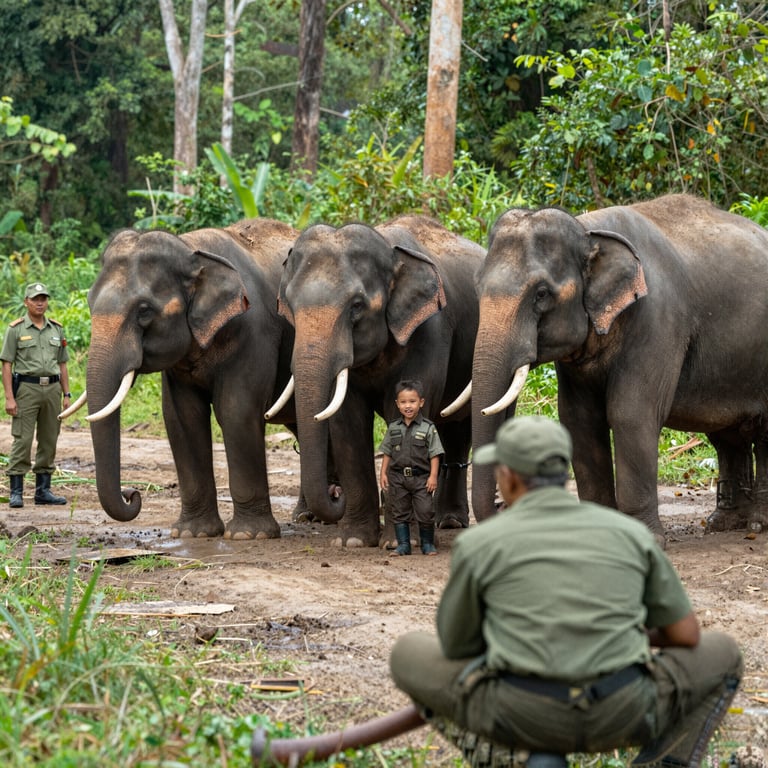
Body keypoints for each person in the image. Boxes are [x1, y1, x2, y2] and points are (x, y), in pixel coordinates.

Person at [390, 415, 743, 768]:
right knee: (723, 653)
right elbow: (685, 633)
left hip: (523, 714)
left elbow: (457, 646)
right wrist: (619, 634)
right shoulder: (630, 532)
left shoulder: (478, 543)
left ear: (508, 477)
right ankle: (662, 762)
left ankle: (511, 756)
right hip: (623, 709)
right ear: (564, 473)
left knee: (407, 652)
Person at [2, 282, 71, 508]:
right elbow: (6, 366)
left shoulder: (56, 329)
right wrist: (10, 398)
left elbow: (62, 365)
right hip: (27, 389)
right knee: (22, 439)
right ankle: (16, 492)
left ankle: (43, 491)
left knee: (49, 439)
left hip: (52, 390)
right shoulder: (16, 329)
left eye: (43, 298)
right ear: (26, 302)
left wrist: (67, 394)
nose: (40, 303)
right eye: (35, 299)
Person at [379, 380, 444, 556]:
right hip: (398, 477)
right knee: (399, 512)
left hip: (421, 478)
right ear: (397, 404)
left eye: (412, 401)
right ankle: (403, 545)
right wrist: (383, 473)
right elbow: (387, 452)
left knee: (425, 511)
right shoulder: (394, 428)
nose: (408, 406)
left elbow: (435, 454)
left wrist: (433, 476)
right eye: (404, 402)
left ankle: (428, 544)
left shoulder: (428, 428)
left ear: (421, 402)